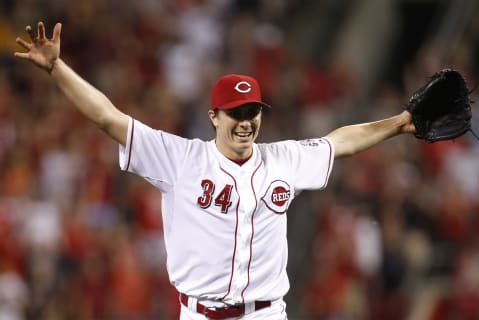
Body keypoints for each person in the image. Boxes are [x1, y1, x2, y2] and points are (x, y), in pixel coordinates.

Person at [14, 22, 416, 320]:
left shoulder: (284, 160)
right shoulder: (181, 159)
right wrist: (56, 69)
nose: (245, 122)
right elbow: (107, 117)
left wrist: (398, 123)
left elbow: (340, 142)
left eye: (252, 112)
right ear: (214, 116)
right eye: (235, 114)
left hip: (266, 314)